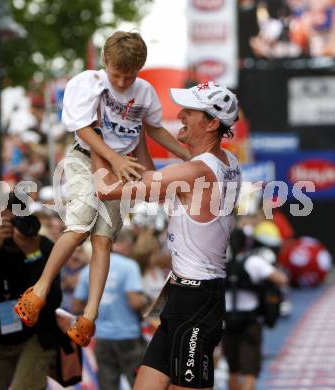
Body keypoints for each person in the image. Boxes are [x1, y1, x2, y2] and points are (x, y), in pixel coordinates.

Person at [14, 30, 190, 347]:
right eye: (117, 75)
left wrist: (186, 155)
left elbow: (152, 130)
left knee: (104, 239)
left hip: (123, 167)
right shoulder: (88, 83)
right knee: (80, 225)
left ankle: (89, 315)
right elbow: (82, 127)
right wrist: (113, 159)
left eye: (129, 77)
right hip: (86, 158)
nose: (122, 83)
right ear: (105, 63)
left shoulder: (145, 92)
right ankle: (40, 288)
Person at [92, 81, 241, 389]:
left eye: (191, 111)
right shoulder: (227, 164)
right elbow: (157, 188)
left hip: (196, 300)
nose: (181, 114)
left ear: (212, 123)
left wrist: (95, 136)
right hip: (187, 296)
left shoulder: (195, 172)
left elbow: (106, 189)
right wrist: (141, 134)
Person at [0, 192, 62, 390]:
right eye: (6, 223)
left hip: (36, 335)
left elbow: (53, 301)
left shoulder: (43, 246)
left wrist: (32, 255)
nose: (12, 229)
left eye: (16, 222)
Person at [72, 228, 148, 389]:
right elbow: (135, 302)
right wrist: (147, 301)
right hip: (129, 336)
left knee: (108, 385)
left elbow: (76, 305)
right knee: (138, 384)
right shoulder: (129, 266)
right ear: (125, 244)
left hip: (102, 337)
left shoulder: (89, 269)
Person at [222, 228, 288, 390]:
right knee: (249, 371)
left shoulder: (221, 264)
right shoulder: (254, 262)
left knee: (233, 370)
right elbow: (282, 279)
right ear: (247, 243)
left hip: (227, 322)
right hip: (249, 323)